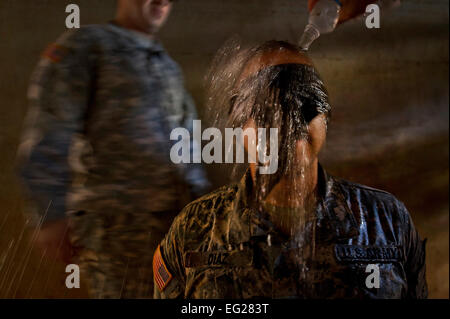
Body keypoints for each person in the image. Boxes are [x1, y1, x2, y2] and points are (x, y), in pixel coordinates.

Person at [153, 40, 427, 299]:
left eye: (306, 101)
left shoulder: (387, 222)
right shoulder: (193, 231)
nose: (290, 121)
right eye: (266, 108)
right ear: (238, 126)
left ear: (326, 117)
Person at [17, 0, 209, 298]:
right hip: (120, 232)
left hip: (176, 231)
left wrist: (203, 213)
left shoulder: (165, 64)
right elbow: (50, 130)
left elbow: (188, 147)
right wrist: (50, 213)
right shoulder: (88, 46)